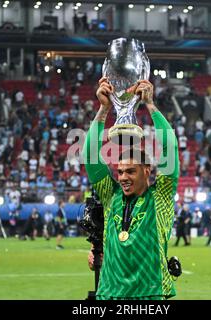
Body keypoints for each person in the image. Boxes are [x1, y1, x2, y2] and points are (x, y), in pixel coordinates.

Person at [83, 78, 179, 300]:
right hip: (109, 294)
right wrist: (104, 109)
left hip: (150, 294)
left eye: (130, 171)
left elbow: (170, 146)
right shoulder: (110, 195)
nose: (123, 177)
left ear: (147, 170)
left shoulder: (160, 197)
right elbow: (89, 155)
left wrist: (151, 105)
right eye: (120, 172)